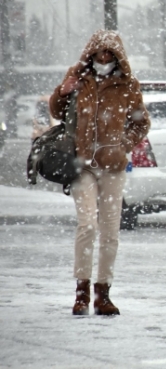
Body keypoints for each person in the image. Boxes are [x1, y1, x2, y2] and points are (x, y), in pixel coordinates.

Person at [49, 30, 150, 316]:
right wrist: (63, 91)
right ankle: (81, 292)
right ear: (90, 54)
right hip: (82, 164)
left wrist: (123, 146)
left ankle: (102, 294)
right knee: (87, 226)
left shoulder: (127, 85)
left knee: (110, 232)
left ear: (118, 57)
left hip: (113, 166)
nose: (104, 58)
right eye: (99, 53)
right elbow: (57, 112)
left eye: (110, 54)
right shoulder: (79, 78)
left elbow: (141, 124)